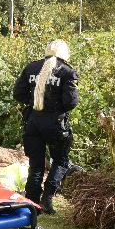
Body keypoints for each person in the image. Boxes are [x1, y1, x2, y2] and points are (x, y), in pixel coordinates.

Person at [13, 39, 79, 215]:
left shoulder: (31, 68)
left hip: (33, 122)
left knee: (36, 165)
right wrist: (55, 109)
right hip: (55, 123)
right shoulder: (67, 72)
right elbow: (71, 102)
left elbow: (18, 93)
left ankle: (32, 202)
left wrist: (34, 103)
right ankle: (47, 199)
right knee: (61, 161)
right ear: (65, 53)